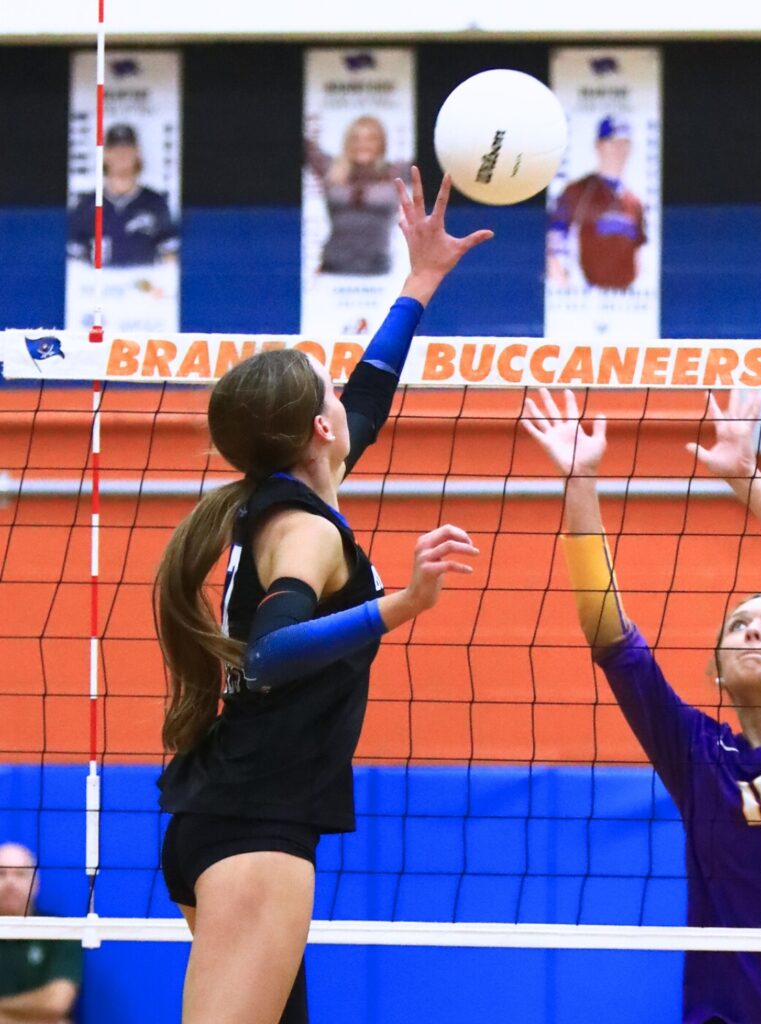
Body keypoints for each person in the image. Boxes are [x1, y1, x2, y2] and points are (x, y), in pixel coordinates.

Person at [155, 167, 491, 1024]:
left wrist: (421, 281)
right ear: (316, 427)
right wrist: (402, 604)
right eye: (329, 394)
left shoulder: (290, 493)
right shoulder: (304, 530)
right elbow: (269, 655)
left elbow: (369, 392)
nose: (346, 399)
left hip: (235, 815)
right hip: (254, 829)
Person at [524, 387, 761, 1024]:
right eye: (738, 625)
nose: (753, 630)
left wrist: (746, 481)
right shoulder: (698, 754)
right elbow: (610, 639)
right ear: (717, 671)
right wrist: (580, 483)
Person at [546, 114, 646, 290]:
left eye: (624, 144)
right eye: (613, 143)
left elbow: (640, 257)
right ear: (599, 146)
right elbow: (553, 242)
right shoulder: (577, 191)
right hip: (585, 294)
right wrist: (564, 284)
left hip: (623, 298)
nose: (619, 150)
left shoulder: (634, 202)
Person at [305, 114, 412, 275]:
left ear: (381, 144)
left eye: (370, 139)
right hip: (333, 269)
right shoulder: (331, 169)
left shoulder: (395, 173)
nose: (363, 144)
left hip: (378, 272)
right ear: (347, 142)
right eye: (356, 139)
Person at [67, 123, 179, 267]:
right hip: (97, 280)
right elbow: (73, 259)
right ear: (105, 154)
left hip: (143, 279)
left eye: (127, 149)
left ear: (137, 153)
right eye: (115, 149)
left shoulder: (156, 203)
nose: (121, 155)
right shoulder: (87, 205)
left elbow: (171, 255)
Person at [0, 843, 81, 1024]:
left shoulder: (60, 930)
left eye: (19, 874)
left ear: (35, 883)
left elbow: (56, 1003)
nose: (10, 883)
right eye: (1, 874)